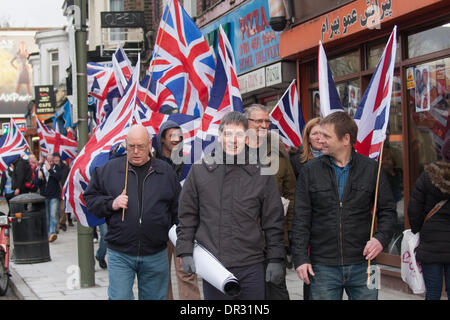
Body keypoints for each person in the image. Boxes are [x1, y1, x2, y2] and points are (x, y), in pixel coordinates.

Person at [176, 111, 285, 300]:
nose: (233, 140)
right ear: (219, 137)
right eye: (228, 134)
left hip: (251, 264)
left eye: (239, 135)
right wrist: (184, 251)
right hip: (215, 268)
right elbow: (187, 216)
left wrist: (276, 258)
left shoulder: (262, 173)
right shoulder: (200, 171)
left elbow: (273, 220)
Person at [291, 111, 396, 300]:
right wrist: (300, 258)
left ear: (345, 139)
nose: (319, 140)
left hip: (367, 265)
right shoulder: (309, 171)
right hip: (322, 267)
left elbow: (388, 211)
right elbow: (300, 219)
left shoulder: (372, 169)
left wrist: (380, 239)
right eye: (319, 135)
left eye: (326, 136)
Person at [83, 124, 181, 300]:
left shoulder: (165, 172)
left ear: (150, 144)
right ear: (125, 144)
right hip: (120, 253)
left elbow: (178, 209)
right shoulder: (109, 170)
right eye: (131, 146)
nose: (135, 151)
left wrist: (183, 240)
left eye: (141, 146)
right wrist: (111, 203)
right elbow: (90, 199)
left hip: (155, 253)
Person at [245, 104, 295, 300]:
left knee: (277, 291)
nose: (263, 125)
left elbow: (292, 195)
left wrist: (288, 236)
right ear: (245, 123)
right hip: (242, 243)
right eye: (258, 121)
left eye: (267, 121)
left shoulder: (279, 155)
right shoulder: (232, 154)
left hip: (273, 241)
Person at [154, 120, 201, 300]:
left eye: (179, 135)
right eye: (172, 135)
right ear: (162, 139)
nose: (177, 139)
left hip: (184, 227)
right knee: (160, 275)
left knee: (187, 273)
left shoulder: (188, 164)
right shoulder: (153, 164)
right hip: (160, 226)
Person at [408, 136, 450, 300]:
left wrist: (418, 229)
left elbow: (414, 208)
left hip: (431, 244)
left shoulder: (427, 177)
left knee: (433, 292)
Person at [289, 117, 323, 300]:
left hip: (326, 229)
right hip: (305, 226)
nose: (318, 137)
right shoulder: (296, 160)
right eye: (314, 133)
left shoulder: (335, 159)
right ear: (307, 137)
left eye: (322, 133)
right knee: (311, 280)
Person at [37, 154, 62, 243]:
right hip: (44, 195)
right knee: (46, 215)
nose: (51, 163)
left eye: (52, 161)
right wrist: (39, 177)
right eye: (49, 161)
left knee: (53, 215)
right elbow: (37, 184)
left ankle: (52, 233)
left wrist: (50, 170)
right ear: (46, 161)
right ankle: (47, 234)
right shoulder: (41, 169)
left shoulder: (56, 168)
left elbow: (59, 177)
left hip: (54, 195)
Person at [52, 152, 71, 231]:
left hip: (63, 189)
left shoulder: (65, 167)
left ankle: (62, 222)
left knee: (63, 209)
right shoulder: (52, 167)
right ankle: (57, 225)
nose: (56, 159)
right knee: (55, 209)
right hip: (55, 190)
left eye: (57, 157)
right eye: (54, 157)